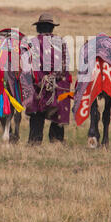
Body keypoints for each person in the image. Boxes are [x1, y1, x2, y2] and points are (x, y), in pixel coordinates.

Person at [25, 13, 72, 145]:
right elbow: (65, 65)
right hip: (58, 83)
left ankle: (34, 141)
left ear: (38, 28)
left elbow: (28, 66)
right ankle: (56, 142)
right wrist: (53, 78)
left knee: (37, 114)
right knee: (58, 113)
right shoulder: (61, 42)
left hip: (38, 83)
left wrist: (40, 80)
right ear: (52, 28)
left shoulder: (32, 43)